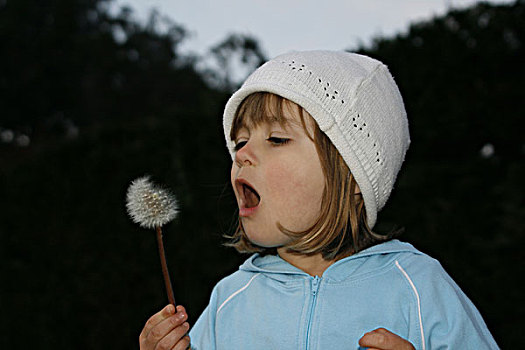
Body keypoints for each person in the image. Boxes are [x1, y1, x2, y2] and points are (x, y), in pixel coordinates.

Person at [139, 51, 499, 349]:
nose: (242, 154)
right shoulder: (229, 301)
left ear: (351, 173)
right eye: (240, 142)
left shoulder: (420, 287)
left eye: (276, 138)